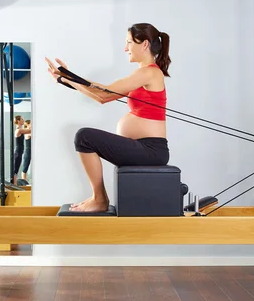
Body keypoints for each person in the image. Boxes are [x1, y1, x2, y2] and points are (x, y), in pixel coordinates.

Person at [46, 23, 170, 213]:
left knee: (84, 137)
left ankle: (99, 199)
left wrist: (68, 78)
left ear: (144, 44)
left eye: (129, 42)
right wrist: (67, 79)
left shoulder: (149, 72)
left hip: (150, 149)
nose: (125, 48)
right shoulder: (143, 74)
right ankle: (98, 197)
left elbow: (103, 94)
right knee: (85, 137)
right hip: (146, 148)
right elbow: (102, 95)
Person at [12, 115, 31, 185]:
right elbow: (30, 130)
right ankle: (14, 185)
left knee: (16, 170)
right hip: (18, 152)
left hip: (19, 152)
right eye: (22, 119)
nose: (23, 120)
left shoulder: (20, 129)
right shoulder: (19, 130)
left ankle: (15, 184)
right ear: (18, 121)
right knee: (15, 170)